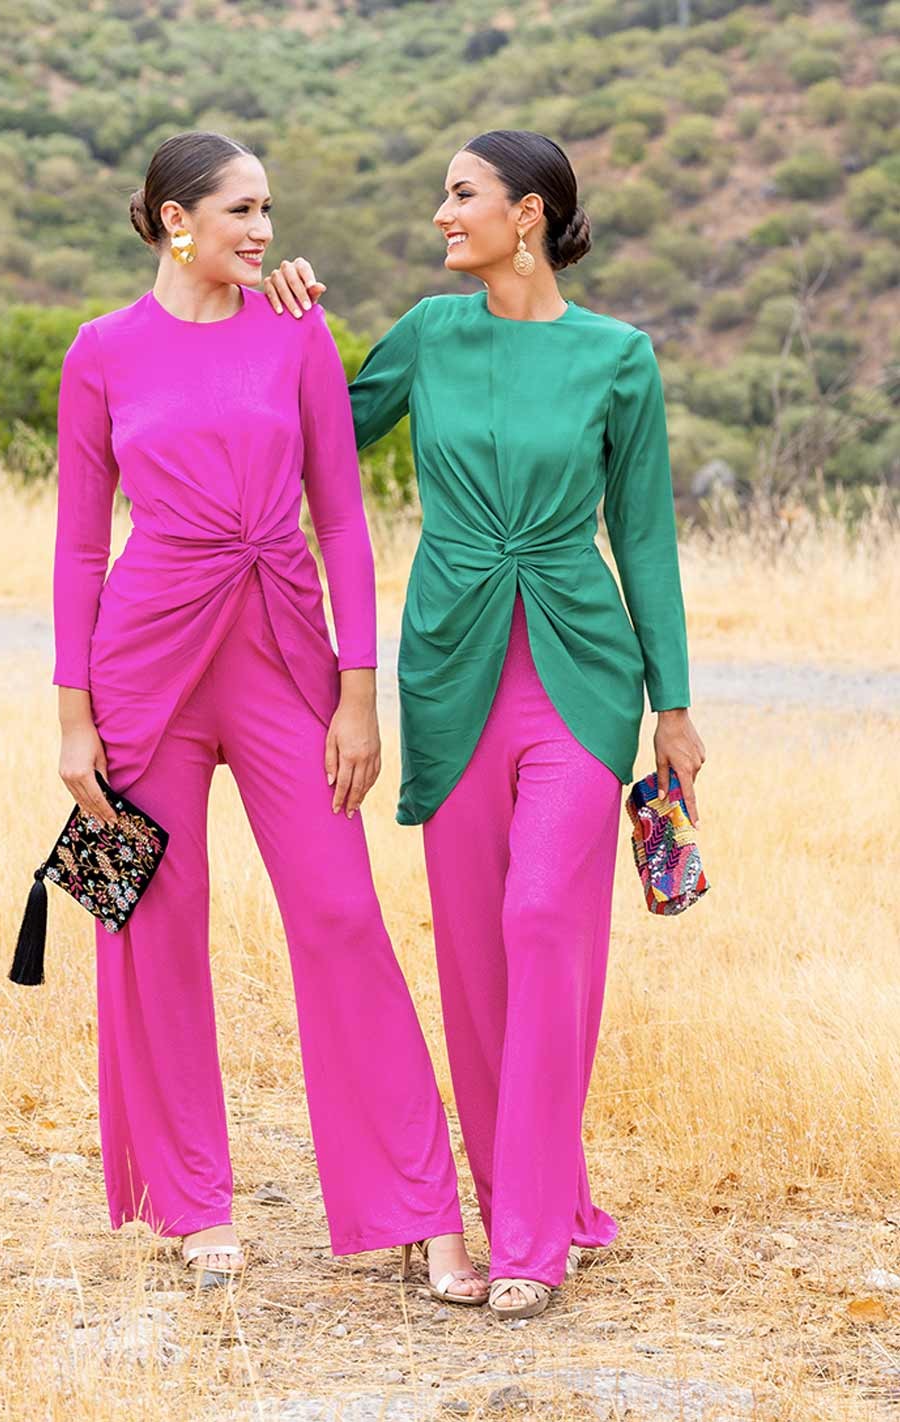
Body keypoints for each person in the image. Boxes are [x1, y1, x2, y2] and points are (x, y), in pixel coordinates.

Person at [263, 129, 706, 1319]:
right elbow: (310, 439)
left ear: (528, 213)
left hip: (581, 671)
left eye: (461, 194)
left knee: (542, 918)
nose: (441, 213)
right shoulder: (426, 333)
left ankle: (530, 1239)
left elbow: (643, 536)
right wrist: (279, 319)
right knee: (471, 956)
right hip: (452, 669)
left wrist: (670, 704)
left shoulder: (617, 357)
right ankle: (539, 1200)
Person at [51, 129, 488, 1301]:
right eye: (240, 210)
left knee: (342, 915)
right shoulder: (99, 352)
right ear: (173, 219)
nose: (262, 230)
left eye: (266, 211)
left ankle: (418, 1212)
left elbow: (341, 519)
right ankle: (192, 1205)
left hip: (284, 654)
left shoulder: (295, 332)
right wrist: (72, 718)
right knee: (149, 928)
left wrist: (357, 692)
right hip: (140, 671)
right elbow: (80, 547)